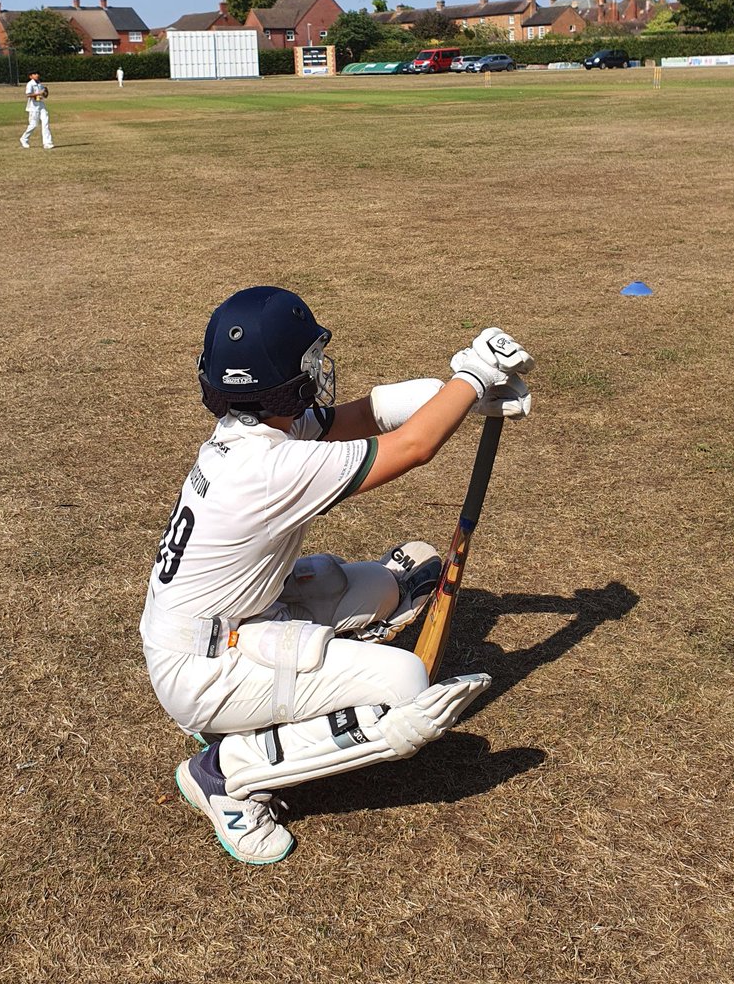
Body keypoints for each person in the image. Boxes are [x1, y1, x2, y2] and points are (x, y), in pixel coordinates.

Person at [140, 286, 534, 864]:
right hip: (203, 668)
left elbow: (366, 413)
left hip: (223, 625)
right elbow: (413, 446)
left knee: (380, 586)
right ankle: (224, 775)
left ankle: (245, 718)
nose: (317, 369)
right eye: (308, 360)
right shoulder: (271, 467)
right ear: (284, 378)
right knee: (406, 690)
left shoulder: (258, 432)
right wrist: (473, 376)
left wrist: (466, 396)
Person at [19, 71, 53, 150]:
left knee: (45, 123)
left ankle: (47, 143)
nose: (37, 75)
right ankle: (24, 138)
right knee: (33, 125)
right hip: (33, 107)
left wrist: (45, 93)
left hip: (41, 105)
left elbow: (44, 95)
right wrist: (38, 93)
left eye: (37, 74)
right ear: (30, 76)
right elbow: (28, 95)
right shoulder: (30, 84)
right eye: (34, 74)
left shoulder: (40, 84)